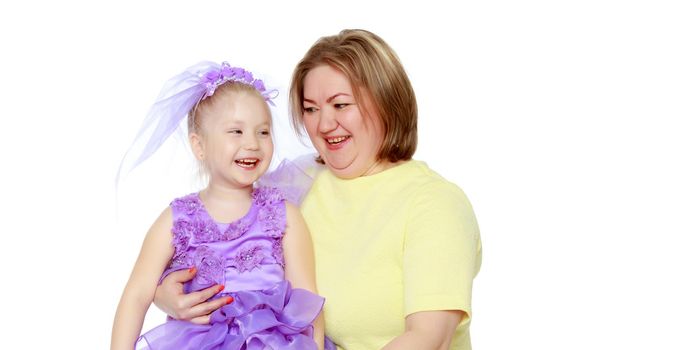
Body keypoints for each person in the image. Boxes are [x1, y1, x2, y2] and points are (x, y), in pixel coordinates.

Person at [155, 29, 482, 350]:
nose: (324, 125)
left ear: (386, 101)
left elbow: (429, 339)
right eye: (311, 109)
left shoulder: (435, 204)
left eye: (340, 105)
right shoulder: (295, 183)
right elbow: (216, 247)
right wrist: (164, 295)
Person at [111, 61, 325, 350]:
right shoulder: (177, 220)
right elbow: (137, 295)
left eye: (263, 132)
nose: (252, 143)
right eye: (236, 132)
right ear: (199, 146)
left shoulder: (284, 215)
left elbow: (307, 300)